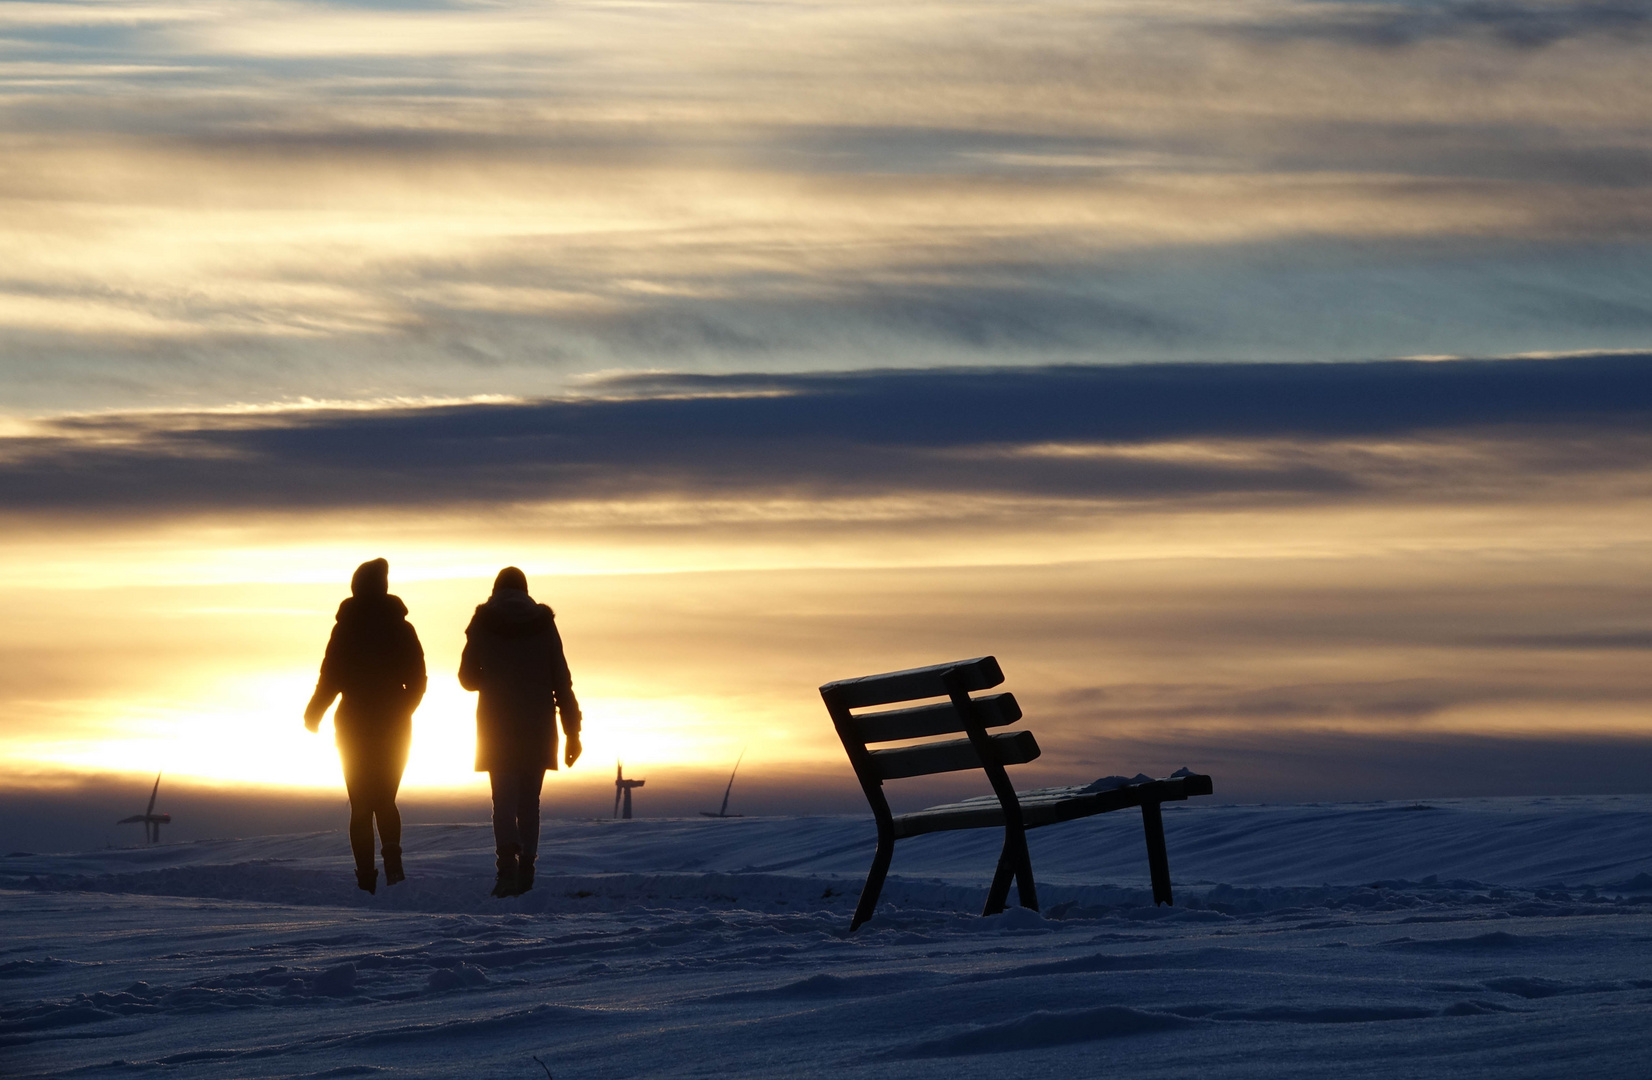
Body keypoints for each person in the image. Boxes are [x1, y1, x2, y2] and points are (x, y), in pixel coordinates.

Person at [303, 558, 426, 894]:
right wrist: (404, 709)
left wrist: (314, 712)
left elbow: (330, 677)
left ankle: (367, 881)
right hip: (394, 726)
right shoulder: (401, 628)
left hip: (354, 724)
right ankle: (393, 867)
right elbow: (418, 680)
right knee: (384, 799)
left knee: (361, 805)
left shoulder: (346, 629)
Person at [458, 566, 582, 898]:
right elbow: (562, 681)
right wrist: (573, 732)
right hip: (538, 725)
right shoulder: (545, 623)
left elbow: (467, 678)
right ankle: (527, 869)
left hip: (496, 726)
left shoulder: (482, 621)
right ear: (525, 591)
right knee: (530, 802)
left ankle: (506, 872)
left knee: (504, 802)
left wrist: (495, 677)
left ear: (496, 590)